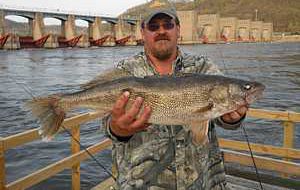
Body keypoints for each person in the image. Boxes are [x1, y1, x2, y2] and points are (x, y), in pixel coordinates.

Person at [102, 0, 248, 189]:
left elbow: (222, 118)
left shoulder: (204, 68)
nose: (161, 31)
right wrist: (117, 129)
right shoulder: (124, 71)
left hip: (202, 182)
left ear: (178, 29)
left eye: (168, 25)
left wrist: (232, 119)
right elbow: (107, 125)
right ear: (143, 32)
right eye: (153, 26)